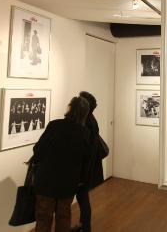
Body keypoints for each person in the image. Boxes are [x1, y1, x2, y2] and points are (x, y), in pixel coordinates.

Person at [33, 96, 90, 232]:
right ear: (85, 113)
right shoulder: (84, 133)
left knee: (43, 218)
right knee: (64, 217)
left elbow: (38, 150)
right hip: (68, 183)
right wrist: (81, 180)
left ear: (70, 108)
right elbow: (85, 160)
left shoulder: (54, 125)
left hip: (46, 181)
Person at [71, 91, 105, 232]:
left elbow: (86, 150)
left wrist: (82, 174)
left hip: (83, 170)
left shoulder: (87, 123)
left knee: (82, 199)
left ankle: (85, 228)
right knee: (83, 198)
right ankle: (83, 226)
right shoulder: (91, 119)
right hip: (87, 169)